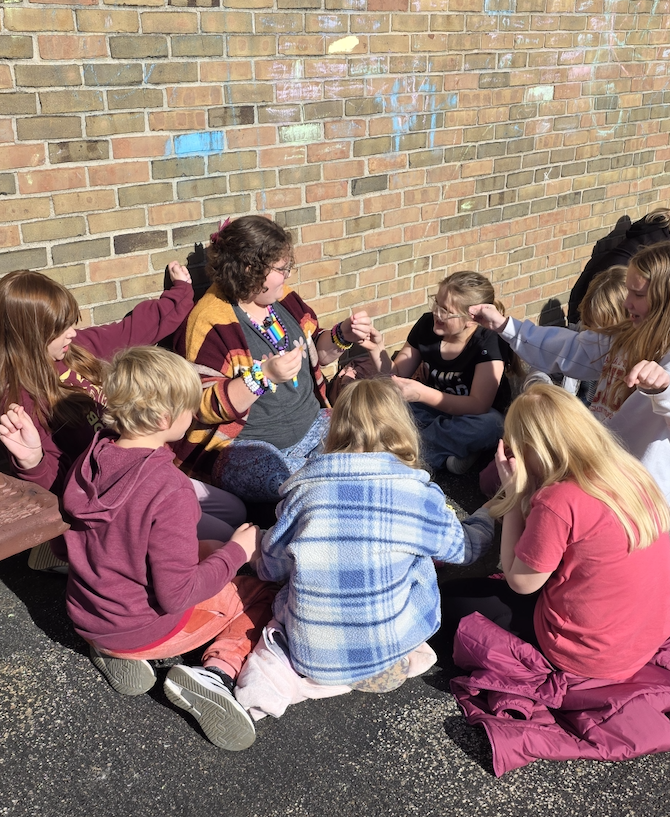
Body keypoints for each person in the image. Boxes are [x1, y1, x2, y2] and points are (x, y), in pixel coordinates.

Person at [61, 346, 277, 751]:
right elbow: (177, 594)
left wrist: (216, 549)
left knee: (208, 547)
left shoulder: (93, 457)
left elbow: (126, 542)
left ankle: (111, 651)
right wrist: (237, 551)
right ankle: (215, 675)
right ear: (164, 419)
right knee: (262, 593)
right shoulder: (169, 489)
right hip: (142, 627)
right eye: (190, 408)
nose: (193, 414)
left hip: (89, 614)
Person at [253, 378, 495, 688]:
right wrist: (489, 513)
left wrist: (256, 544)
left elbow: (271, 567)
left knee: (302, 564)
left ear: (336, 427)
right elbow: (466, 549)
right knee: (421, 551)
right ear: (402, 426)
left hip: (310, 658)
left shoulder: (304, 493)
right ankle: (389, 650)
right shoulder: (417, 495)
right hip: (386, 649)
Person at [441, 384, 670, 680]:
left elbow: (521, 582)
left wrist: (514, 496)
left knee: (449, 598)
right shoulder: (631, 472)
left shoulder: (560, 499)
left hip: (587, 655)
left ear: (531, 448)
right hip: (639, 641)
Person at [0, 266, 244, 541]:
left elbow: (133, 329)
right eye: (59, 328)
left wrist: (179, 293)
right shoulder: (22, 404)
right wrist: (32, 463)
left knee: (235, 510)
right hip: (114, 505)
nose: (72, 333)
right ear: (29, 335)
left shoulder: (76, 349)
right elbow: (54, 488)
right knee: (225, 535)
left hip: (146, 471)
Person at [172, 215, 373, 503]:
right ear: (250, 269)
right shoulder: (209, 321)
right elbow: (202, 405)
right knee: (305, 489)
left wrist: (343, 334)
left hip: (313, 425)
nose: (288, 275)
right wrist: (262, 376)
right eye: (282, 268)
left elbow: (317, 355)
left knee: (370, 450)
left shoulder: (284, 299)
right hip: (250, 449)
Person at [469, 241, 670, 503]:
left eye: (638, 295)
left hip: (640, 492)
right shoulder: (624, 337)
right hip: (600, 468)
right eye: (628, 291)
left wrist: (663, 391)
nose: (627, 302)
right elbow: (567, 348)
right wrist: (505, 326)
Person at [387, 270, 513, 475]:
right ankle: (452, 451)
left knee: (492, 425)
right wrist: (376, 349)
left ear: (472, 319)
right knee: (389, 403)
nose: (437, 313)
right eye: (436, 303)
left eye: (446, 311)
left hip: (474, 415)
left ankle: (410, 459)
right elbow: (397, 374)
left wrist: (421, 393)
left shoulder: (489, 340)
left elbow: (479, 405)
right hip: (433, 408)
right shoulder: (426, 324)